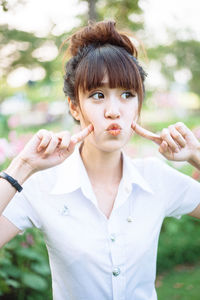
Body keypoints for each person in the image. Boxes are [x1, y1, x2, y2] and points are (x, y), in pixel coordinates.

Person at [0, 20, 200, 300]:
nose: (114, 111)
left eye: (127, 95)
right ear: (74, 106)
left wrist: (195, 156)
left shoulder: (156, 178)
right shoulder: (44, 185)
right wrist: (23, 166)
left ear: (138, 105)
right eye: (98, 95)